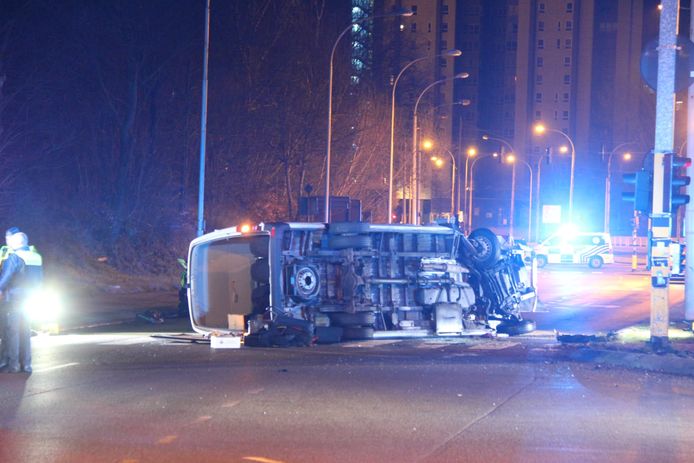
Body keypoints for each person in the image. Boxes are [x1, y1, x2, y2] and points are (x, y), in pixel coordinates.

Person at [0, 228, 43, 373]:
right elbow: (40, 280)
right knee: (25, 331)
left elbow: (5, 278)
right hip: (31, 299)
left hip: (15, 299)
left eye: (11, 240)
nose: (9, 242)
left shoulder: (14, 257)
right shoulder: (36, 257)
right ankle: (27, 364)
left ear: (17, 242)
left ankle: (14, 365)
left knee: (13, 332)